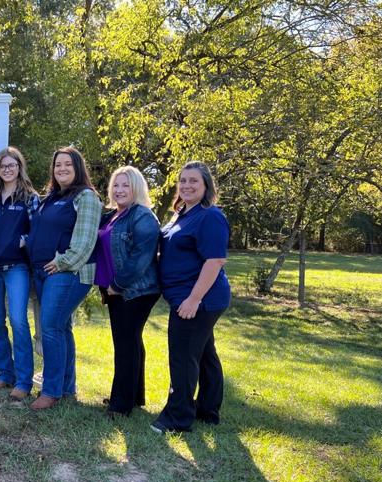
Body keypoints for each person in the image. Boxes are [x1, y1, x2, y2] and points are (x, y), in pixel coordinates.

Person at [151, 161, 231, 433]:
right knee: (205, 353)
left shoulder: (210, 216)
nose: (186, 185)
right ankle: (208, 411)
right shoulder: (183, 214)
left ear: (206, 185)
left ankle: (177, 418)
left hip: (198, 300)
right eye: (183, 180)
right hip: (185, 298)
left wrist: (194, 299)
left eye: (193, 181)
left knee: (183, 356)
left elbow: (215, 260)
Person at [26, 146, 102, 410]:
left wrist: (62, 262)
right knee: (61, 328)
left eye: (68, 164)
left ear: (78, 167)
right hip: (45, 273)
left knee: (50, 327)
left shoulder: (86, 197)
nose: (62, 169)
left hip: (69, 272)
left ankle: (51, 391)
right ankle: (67, 388)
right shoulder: (51, 198)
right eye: (58, 165)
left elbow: (84, 241)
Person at [93, 166, 160, 417]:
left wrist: (117, 285)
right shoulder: (114, 215)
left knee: (125, 343)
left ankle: (120, 405)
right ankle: (134, 396)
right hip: (115, 289)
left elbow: (140, 258)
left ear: (137, 188)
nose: (119, 190)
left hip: (135, 291)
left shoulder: (142, 216)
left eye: (125, 185)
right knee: (131, 341)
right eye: (116, 185)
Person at [0, 147, 39, 401]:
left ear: (19, 167)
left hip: (16, 267)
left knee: (18, 320)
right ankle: (5, 373)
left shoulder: (29, 197)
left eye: (12, 165)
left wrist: (20, 242)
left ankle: (24, 381)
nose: (7, 169)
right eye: (3, 166)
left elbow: (37, 231)